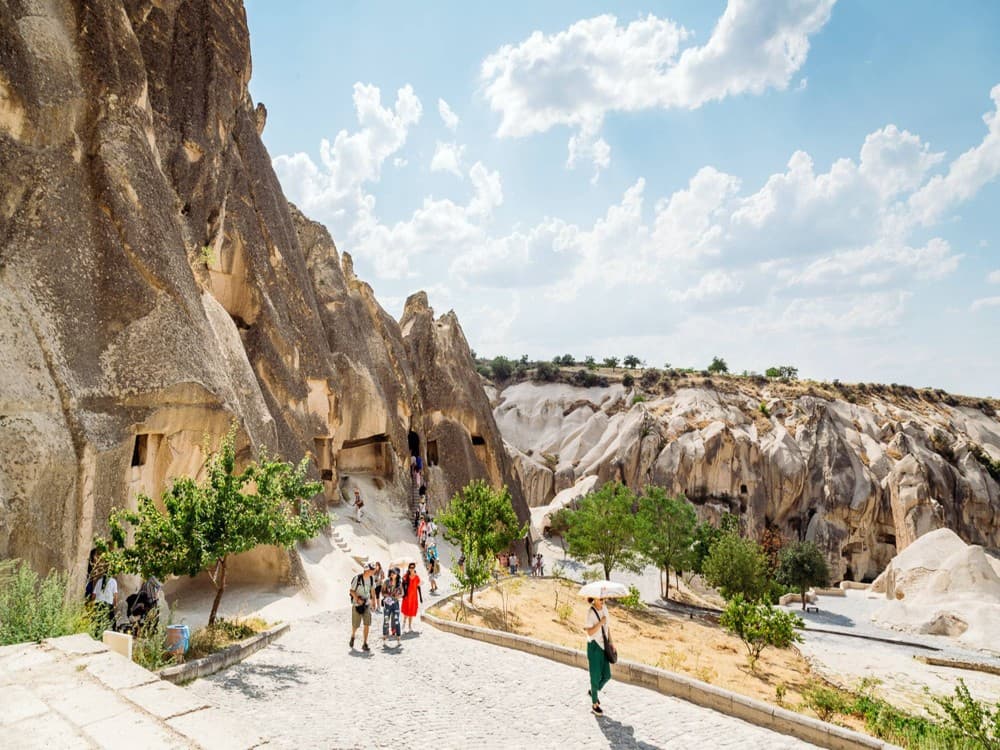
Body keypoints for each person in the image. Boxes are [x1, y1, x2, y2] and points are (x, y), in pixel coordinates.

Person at [584, 596, 612, 715]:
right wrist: (600, 623)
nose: (602, 600)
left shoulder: (605, 608)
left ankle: (593, 690)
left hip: (604, 646)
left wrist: (611, 642)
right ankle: (595, 704)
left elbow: (607, 627)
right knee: (595, 676)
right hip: (594, 646)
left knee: (607, 675)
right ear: (593, 599)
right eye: (599, 598)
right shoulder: (590, 612)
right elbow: (589, 632)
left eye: (603, 598)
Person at [349, 563, 376, 651]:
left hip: (367, 604)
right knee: (356, 625)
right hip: (357, 604)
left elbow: (372, 590)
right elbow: (351, 591)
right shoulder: (358, 578)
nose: (374, 571)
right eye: (372, 570)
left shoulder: (372, 578)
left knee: (367, 624)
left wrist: (374, 602)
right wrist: (357, 599)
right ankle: (353, 636)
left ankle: (365, 643)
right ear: (367, 570)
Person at [89, 559, 118, 632]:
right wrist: (114, 605)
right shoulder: (113, 581)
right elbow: (115, 595)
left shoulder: (99, 581)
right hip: (107, 604)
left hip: (98, 603)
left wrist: (92, 604)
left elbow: (93, 594)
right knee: (111, 622)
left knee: (98, 621)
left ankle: (96, 633)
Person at [381, 568, 403, 647]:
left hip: (395, 604)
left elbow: (402, 593)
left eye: (394, 573)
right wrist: (387, 595)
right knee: (386, 621)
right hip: (387, 604)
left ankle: (398, 639)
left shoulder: (399, 583)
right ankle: (384, 638)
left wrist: (398, 596)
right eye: (391, 573)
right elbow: (382, 592)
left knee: (396, 621)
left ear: (397, 574)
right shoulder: (386, 582)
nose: (392, 574)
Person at [401, 563, 423, 633]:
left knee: (411, 611)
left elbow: (419, 584)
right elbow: (402, 583)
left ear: (414, 568)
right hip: (407, 596)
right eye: (410, 567)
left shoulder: (417, 577)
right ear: (409, 568)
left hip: (413, 597)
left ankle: (410, 626)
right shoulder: (406, 576)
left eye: (413, 567)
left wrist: (420, 597)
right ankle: (404, 624)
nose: (411, 568)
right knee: (406, 611)